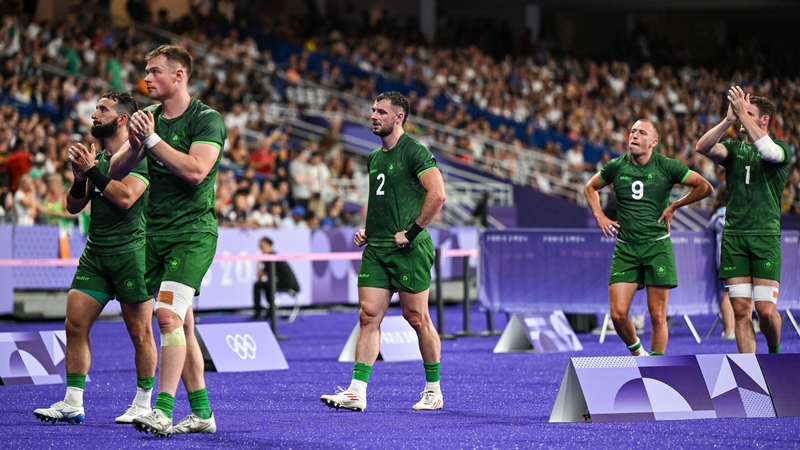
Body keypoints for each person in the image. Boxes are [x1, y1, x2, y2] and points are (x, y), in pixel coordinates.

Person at [110, 45, 226, 436]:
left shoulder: (207, 119)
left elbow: (195, 171)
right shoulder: (147, 119)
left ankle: (161, 410)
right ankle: (203, 414)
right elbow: (116, 169)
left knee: (167, 317)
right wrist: (137, 143)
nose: (146, 78)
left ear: (179, 75)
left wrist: (152, 140)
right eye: (146, 71)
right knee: (182, 326)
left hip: (191, 235)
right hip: (154, 235)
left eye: (155, 71)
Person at [33, 91, 157, 425]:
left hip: (133, 253)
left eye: (103, 109)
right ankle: (73, 402)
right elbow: (73, 206)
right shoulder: (96, 159)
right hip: (95, 254)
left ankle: (143, 403)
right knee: (74, 325)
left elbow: (126, 198)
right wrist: (79, 179)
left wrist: (92, 171)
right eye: (95, 108)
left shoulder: (141, 154)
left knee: (140, 333)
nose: (94, 114)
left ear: (122, 119)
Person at [320, 91, 447, 411]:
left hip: (409, 249)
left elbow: (438, 195)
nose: (373, 116)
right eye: (373, 110)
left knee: (416, 317)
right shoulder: (374, 157)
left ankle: (433, 391)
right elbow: (383, 199)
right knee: (368, 316)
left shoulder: (414, 151)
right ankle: (356, 392)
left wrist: (412, 232)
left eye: (381, 112)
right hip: (376, 249)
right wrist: (370, 228)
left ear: (399, 117)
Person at [584, 119, 713, 356]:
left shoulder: (666, 165)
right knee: (618, 315)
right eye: (633, 131)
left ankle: (656, 367)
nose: (634, 135)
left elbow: (704, 187)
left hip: (657, 248)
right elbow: (589, 187)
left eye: (642, 132)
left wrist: (674, 206)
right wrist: (600, 216)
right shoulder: (616, 166)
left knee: (657, 314)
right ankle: (639, 354)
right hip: (626, 249)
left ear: (653, 142)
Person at [695, 87, 791, 354]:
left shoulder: (780, 149)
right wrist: (727, 120)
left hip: (765, 237)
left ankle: (774, 352)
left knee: (766, 310)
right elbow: (702, 147)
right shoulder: (733, 149)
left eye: (748, 113)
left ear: (764, 120)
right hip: (734, 238)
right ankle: (749, 369)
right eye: (740, 112)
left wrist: (741, 114)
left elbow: (768, 152)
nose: (740, 116)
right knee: (740, 311)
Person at [708, 182, 735, 341]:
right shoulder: (736, 213)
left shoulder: (717, 216)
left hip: (725, 259)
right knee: (733, 293)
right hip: (735, 258)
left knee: (727, 292)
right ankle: (730, 329)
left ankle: (730, 329)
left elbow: (709, 227)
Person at [252, 236, 300, 320]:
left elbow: (260, 275)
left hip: (288, 284)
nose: (261, 250)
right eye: (260, 247)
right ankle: (270, 310)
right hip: (285, 283)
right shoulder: (274, 256)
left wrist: (259, 261)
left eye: (262, 247)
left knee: (258, 285)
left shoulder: (270, 257)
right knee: (265, 285)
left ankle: (259, 311)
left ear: (269, 245)